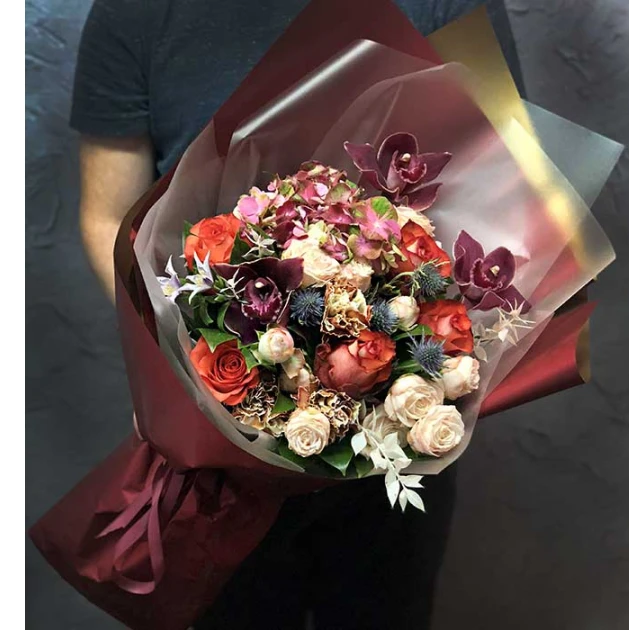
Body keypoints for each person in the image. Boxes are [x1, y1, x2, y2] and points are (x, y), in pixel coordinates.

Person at [72, 1, 523, 627]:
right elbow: (105, 214)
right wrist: (171, 359)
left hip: (398, 430)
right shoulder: (137, 13)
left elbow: (505, 189)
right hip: (215, 443)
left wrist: (408, 348)